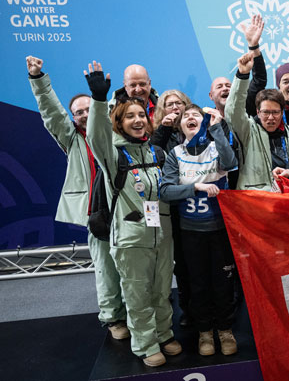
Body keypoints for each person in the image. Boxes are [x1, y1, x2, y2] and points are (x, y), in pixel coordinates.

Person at [85, 61, 180, 367]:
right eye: (130, 116)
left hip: (161, 235)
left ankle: (164, 334)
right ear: (119, 122)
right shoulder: (112, 154)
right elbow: (96, 136)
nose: (137, 120)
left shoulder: (155, 152)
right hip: (130, 239)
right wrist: (99, 99)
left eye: (141, 115)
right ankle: (146, 343)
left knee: (161, 290)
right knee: (137, 295)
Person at [25, 55, 127, 339]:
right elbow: (51, 112)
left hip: (125, 209)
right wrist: (38, 80)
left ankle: (137, 312)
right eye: (78, 112)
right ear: (73, 118)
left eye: (88, 109)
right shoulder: (71, 138)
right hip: (97, 214)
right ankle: (113, 318)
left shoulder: (117, 135)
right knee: (106, 269)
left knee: (132, 267)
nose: (84, 114)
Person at [160, 104, 238, 356]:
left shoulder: (216, 148)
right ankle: (204, 331)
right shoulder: (175, 153)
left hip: (219, 228)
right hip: (190, 231)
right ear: (180, 126)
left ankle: (225, 329)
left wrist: (216, 128)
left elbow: (231, 162)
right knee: (198, 283)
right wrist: (196, 187)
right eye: (186, 116)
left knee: (223, 283)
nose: (191, 117)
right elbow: (165, 191)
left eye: (196, 114)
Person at [225, 53, 289, 190]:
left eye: (275, 112)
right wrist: (242, 75)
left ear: (282, 112)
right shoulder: (247, 130)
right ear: (258, 112)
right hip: (256, 198)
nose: (271, 118)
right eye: (266, 112)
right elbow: (233, 111)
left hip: (287, 196)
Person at [149, 89, 193, 327]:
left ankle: (200, 308)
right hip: (169, 206)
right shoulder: (158, 133)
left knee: (194, 260)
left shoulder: (195, 128)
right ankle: (184, 309)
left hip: (195, 203)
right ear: (162, 110)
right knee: (178, 263)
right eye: (170, 104)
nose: (175, 107)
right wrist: (165, 129)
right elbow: (151, 154)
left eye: (179, 103)